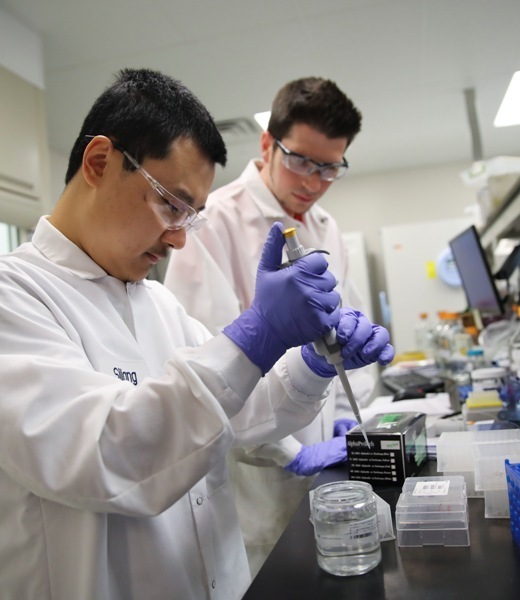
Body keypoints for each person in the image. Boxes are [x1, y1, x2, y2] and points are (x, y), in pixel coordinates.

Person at [0, 68, 393, 600]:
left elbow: (237, 411)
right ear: (99, 162)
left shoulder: (157, 302)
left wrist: (311, 368)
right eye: (171, 205)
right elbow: (103, 455)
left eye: (191, 217)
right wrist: (258, 334)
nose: (178, 239)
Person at [163, 77, 380, 576]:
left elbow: (342, 332)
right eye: (301, 161)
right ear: (267, 144)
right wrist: (289, 450)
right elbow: (206, 369)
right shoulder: (212, 221)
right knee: (272, 575)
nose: (313, 182)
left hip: (325, 461)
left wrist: (346, 417)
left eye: (329, 168)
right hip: (252, 471)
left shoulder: (326, 227)